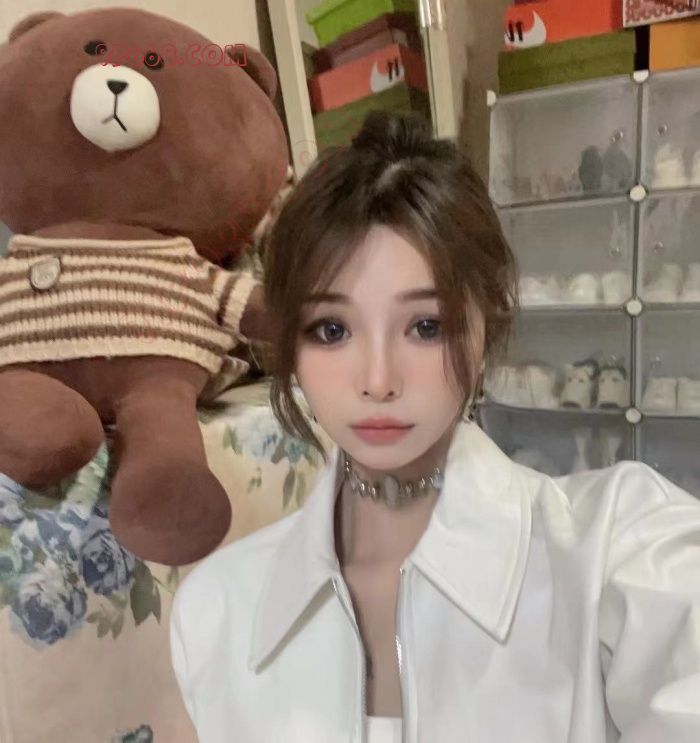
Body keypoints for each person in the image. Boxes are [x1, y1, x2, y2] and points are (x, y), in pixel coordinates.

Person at [170, 111, 700, 743]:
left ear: (486, 326)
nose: (378, 379)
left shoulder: (617, 551)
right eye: (331, 330)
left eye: (426, 326)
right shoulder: (215, 613)